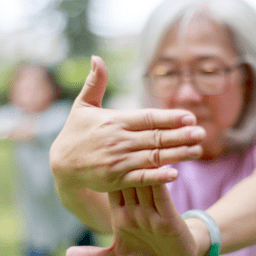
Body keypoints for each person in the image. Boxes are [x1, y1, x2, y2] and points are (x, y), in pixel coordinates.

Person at [50, 0, 256, 255]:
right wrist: (68, 177)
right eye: (167, 73)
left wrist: (198, 233)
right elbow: (103, 212)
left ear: (249, 78)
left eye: (208, 71)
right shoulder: (148, 159)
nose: (187, 94)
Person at [0, 63, 95, 256]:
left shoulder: (60, 112)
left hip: (71, 209)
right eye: (24, 88)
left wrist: (24, 130)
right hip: (37, 214)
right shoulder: (13, 116)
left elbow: (47, 127)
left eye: (36, 87)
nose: (30, 94)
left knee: (87, 248)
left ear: (52, 89)